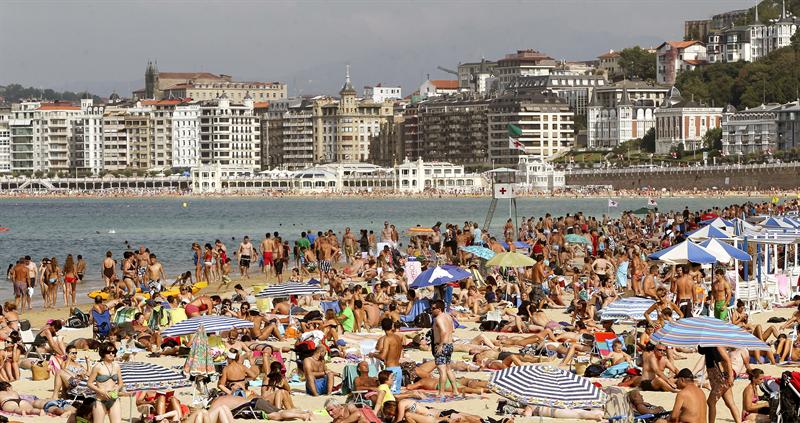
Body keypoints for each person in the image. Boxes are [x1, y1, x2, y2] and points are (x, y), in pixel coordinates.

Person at [699, 346, 741, 423]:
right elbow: (701, 351)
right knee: (730, 403)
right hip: (716, 377)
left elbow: (727, 360)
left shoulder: (718, 346)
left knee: (711, 402)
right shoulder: (708, 345)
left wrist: (731, 376)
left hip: (721, 378)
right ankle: (738, 421)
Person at [87, 343, 123, 423]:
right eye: (108, 352)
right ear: (103, 353)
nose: (111, 354)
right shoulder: (97, 367)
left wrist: (117, 388)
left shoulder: (116, 366)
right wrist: (100, 391)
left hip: (114, 399)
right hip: (100, 400)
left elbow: (121, 383)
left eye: (113, 352)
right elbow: (89, 383)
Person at [430, 299, 459, 399]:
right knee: (448, 369)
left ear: (439, 309)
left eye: (433, 308)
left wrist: (441, 345)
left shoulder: (438, 319)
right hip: (450, 345)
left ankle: (441, 392)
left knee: (442, 370)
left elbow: (443, 332)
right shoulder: (448, 316)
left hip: (442, 345)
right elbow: (453, 329)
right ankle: (455, 390)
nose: (431, 310)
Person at [370, 317, 403, 394]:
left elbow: (382, 356)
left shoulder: (387, 339)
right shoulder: (397, 337)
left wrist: (373, 354)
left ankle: (413, 394)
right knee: (395, 393)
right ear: (392, 326)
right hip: (398, 368)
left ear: (382, 328)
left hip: (391, 370)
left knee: (390, 395)